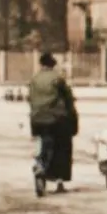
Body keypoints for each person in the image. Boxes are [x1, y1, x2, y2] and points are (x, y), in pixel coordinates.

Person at [28, 53, 79, 197]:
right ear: (53, 64)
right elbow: (68, 100)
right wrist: (73, 118)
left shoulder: (34, 79)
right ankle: (59, 181)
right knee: (62, 149)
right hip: (56, 120)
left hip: (37, 119)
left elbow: (30, 99)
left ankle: (40, 167)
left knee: (45, 146)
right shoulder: (58, 79)